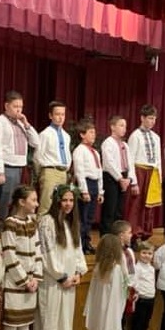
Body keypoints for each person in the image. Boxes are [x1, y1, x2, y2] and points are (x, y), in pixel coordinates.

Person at [35, 185, 87, 330]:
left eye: (71, 200)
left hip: (69, 280)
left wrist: (79, 272)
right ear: (57, 201)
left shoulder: (71, 222)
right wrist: (61, 276)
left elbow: (77, 250)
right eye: (64, 200)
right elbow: (46, 253)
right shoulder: (47, 222)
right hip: (52, 281)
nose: (68, 204)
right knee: (49, 320)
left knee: (64, 321)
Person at [1, 185, 45, 330]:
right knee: (12, 325)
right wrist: (24, 280)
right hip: (15, 282)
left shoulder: (32, 222)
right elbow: (9, 254)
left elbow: (38, 251)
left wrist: (35, 277)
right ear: (21, 202)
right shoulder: (10, 224)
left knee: (25, 325)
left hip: (31, 283)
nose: (36, 203)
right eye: (33, 200)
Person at [0, 91, 40, 220]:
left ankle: (14, 226)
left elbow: (36, 142)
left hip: (21, 167)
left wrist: (26, 124)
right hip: (8, 167)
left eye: (21, 107)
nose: (19, 110)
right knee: (5, 201)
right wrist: (0, 172)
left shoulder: (21, 123)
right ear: (7, 106)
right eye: (15, 106)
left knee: (19, 202)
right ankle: (1, 226)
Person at [84, 234, 128, 330]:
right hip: (110, 307)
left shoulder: (98, 267)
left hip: (98, 306)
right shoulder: (116, 269)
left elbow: (92, 291)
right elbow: (116, 293)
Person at [125, 104, 162, 240]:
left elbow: (158, 159)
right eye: (150, 118)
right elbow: (130, 159)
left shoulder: (156, 137)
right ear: (142, 118)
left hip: (152, 173)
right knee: (136, 205)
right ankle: (134, 235)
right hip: (140, 171)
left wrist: (159, 178)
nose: (153, 121)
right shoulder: (135, 136)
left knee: (149, 206)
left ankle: (146, 234)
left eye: (154, 119)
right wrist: (133, 181)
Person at [100, 115, 138, 235]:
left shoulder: (125, 145)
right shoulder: (108, 143)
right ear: (112, 127)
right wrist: (120, 178)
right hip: (112, 177)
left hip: (124, 177)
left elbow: (130, 163)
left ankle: (117, 236)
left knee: (119, 210)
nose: (124, 129)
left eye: (125, 126)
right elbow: (109, 163)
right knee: (109, 209)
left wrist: (130, 179)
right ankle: (106, 236)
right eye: (121, 125)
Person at [34, 101, 71, 216]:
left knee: (60, 205)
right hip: (50, 171)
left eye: (63, 114)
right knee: (46, 204)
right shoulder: (45, 134)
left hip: (63, 172)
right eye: (57, 114)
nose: (60, 117)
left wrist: (67, 167)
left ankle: (57, 227)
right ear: (51, 116)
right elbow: (37, 156)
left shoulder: (66, 136)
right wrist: (41, 173)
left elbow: (67, 154)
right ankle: (41, 227)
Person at [72, 119, 104, 253]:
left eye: (94, 132)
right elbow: (79, 171)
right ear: (82, 134)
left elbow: (99, 171)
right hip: (86, 184)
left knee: (90, 217)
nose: (93, 135)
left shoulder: (95, 152)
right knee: (83, 217)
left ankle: (87, 243)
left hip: (94, 184)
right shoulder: (79, 150)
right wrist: (84, 191)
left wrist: (100, 191)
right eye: (90, 132)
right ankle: (80, 244)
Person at [130, 241, 156, 330]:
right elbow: (134, 283)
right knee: (138, 323)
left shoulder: (151, 268)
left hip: (150, 298)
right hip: (141, 299)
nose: (147, 255)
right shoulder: (137, 268)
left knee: (146, 322)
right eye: (144, 253)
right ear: (138, 254)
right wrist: (138, 293)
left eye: (149, 253)